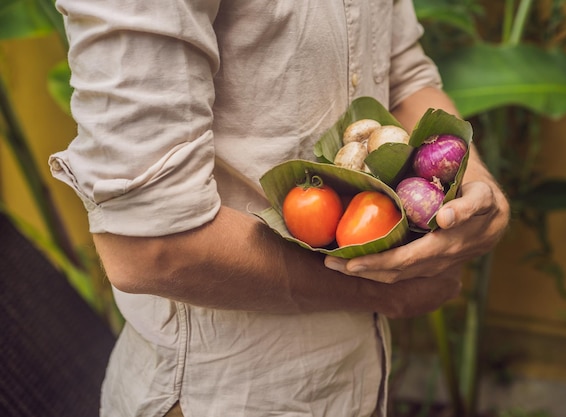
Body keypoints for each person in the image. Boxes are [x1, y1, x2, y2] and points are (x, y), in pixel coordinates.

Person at [49, 1, 510, 416]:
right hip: (223, 397)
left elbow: (405, 75)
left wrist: (478, 186)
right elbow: (150, 247)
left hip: (358, 380)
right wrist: (384, 293)